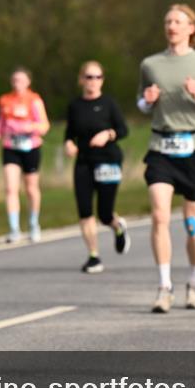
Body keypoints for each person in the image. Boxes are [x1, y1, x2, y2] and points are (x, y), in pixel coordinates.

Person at [138, 4, 195, 313]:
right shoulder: (150, 64)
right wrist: (146, 101)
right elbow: (142, 103)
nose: (172, 25)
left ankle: (194, 281)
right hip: (161, 146)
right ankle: (164, 287)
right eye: (168, 21)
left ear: (192, 28)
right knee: (160, 216)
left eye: (178, 21)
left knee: (192, 222)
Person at [64, 61, 131, 273]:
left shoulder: (109, 103)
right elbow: (69, 132)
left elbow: (123, 129)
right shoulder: (75, 106)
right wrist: (68, 143)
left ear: (102, 80)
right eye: (89, 77)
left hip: (108, 160)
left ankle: (117, 226)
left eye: (98, 77)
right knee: (85, 210)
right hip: (84, 161)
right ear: (81, 79)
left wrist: (108, 134)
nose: (93, 81)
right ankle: (94, 255)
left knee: (104, 213)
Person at [0, 67, 50, 243]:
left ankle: (33, 224)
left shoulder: (34, 100)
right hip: (10, 147)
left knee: (31, 188)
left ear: (28, 82)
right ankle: (14, 229)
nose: (17, 84)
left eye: (21, 80)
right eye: (14, 80)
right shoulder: (5, 100)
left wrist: (31, 127)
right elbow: (1, 123)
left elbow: (44, 125)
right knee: (10, 189)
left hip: (31, 147)